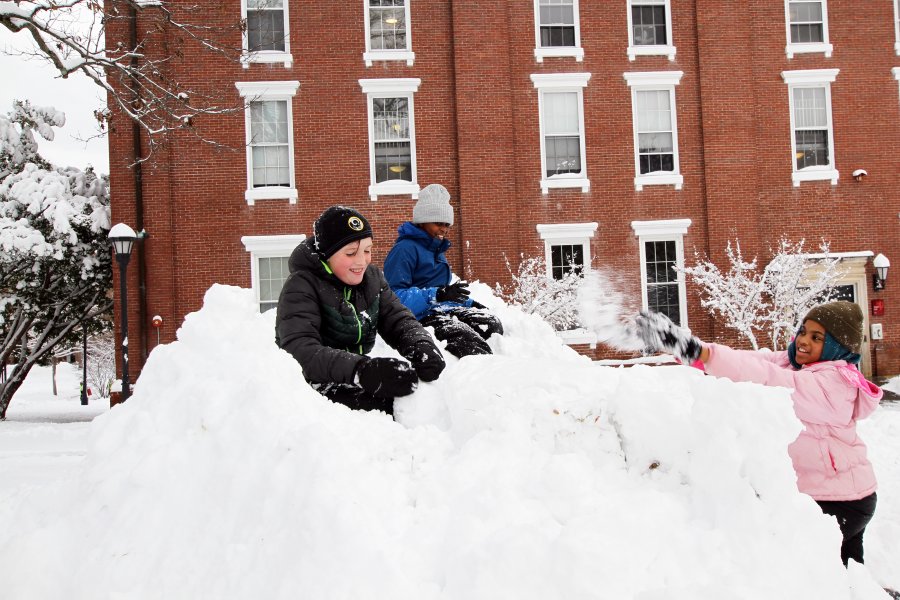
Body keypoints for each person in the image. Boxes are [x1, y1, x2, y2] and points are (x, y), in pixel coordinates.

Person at [636, 301, 882, 566]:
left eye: (817, 337)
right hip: (838, 494)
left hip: (839, 500)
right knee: (847, 572)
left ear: (837, 347)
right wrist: (695, 351)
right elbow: (751, 361)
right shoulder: (796, 363)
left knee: (810, 571)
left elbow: (766, 377)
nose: (803, 341)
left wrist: (700, 353)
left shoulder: (832, 384)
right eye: (803, 331)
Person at [276, 205, 446, 417]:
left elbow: (398, 319)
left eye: (367, 250)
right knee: (387, 411)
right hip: (309, 386)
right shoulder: (302, 285)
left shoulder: (372, 278)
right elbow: (300, 350)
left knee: (413, 400)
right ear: (327, 254)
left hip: (351, 376)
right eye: (350, 253)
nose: (361, 261)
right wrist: (361, 370)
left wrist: (420, 344)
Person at [383, 183, 503, 358]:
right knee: (469, 342)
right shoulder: (404, 250)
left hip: (439, 309)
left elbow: (442, 291)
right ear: (423, 221)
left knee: (490, 323)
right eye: (438, 223)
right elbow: (394, 299)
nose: (444, 229)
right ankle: (477, 377)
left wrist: (469, 303)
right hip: (417, 318)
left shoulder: (435, 249)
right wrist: (437, 295)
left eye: (447, 224)